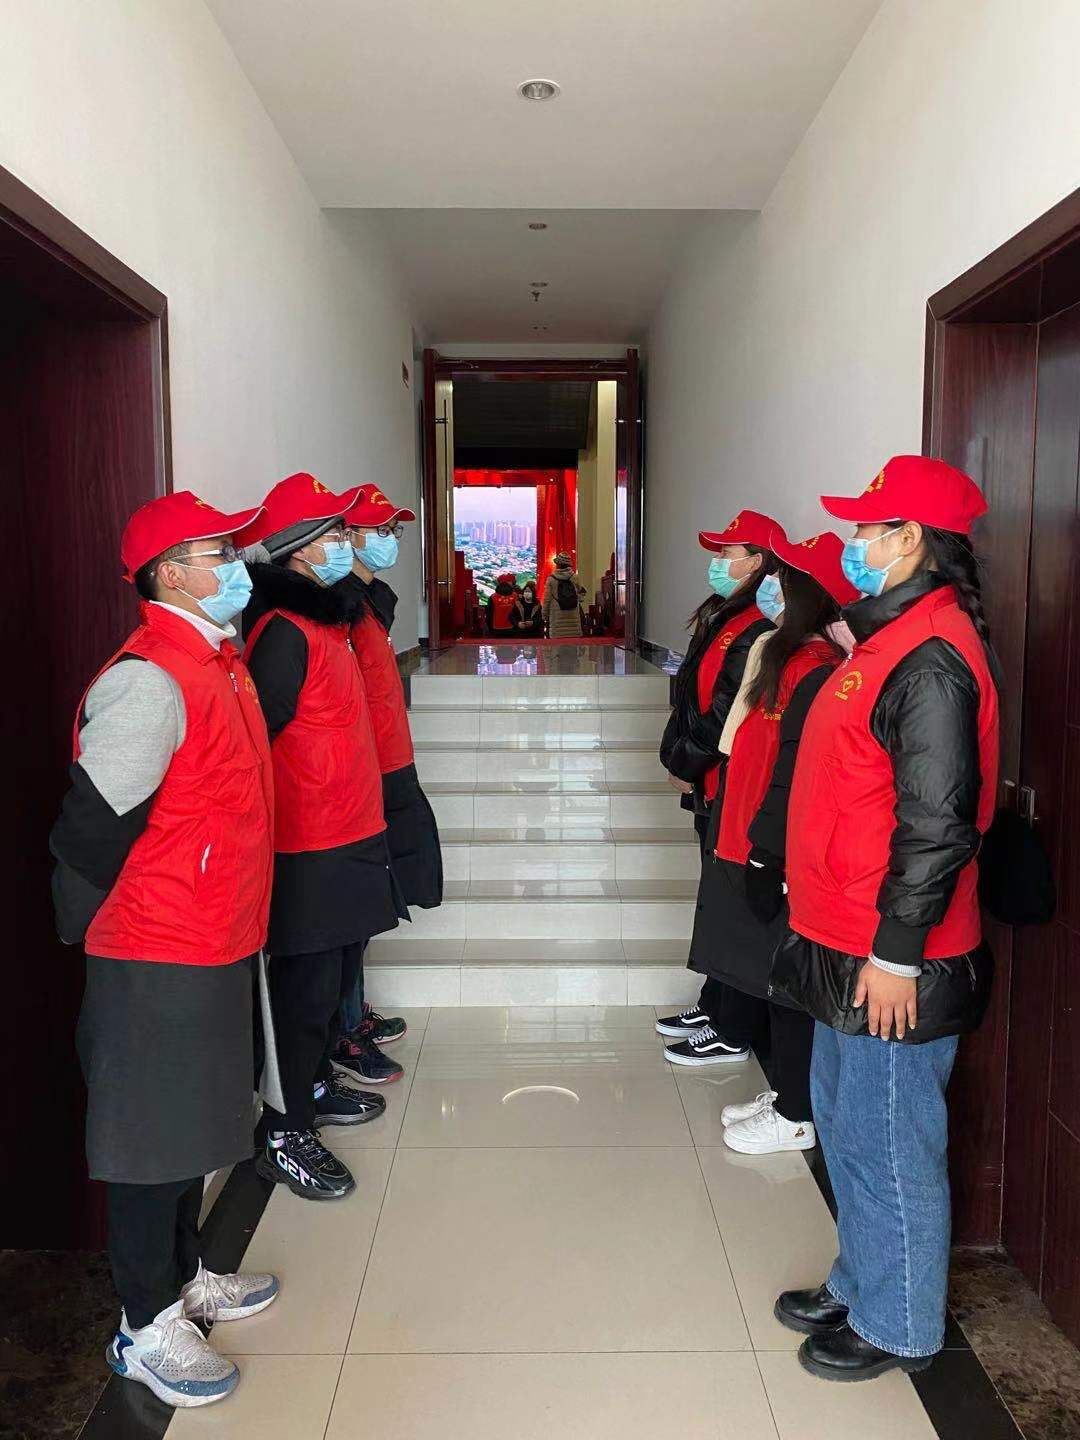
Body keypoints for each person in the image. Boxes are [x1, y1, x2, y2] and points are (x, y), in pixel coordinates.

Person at [770, 456, 999, 1382]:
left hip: (893, 953)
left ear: (910, 540)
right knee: (845, 1120)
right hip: (844, 934)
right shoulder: (888, 639)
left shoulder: (933, 656)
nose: (854, 544)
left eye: (868, 529)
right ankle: (862, 1279)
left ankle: (900, 1321)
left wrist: (898, 954)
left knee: (890, 1141)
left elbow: (937, 823)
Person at [49, 492, 280, 1408]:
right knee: (149, 1143)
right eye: (219, 552)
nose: (237, 565)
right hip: (157, 949)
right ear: (169, 574)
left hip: (215, 934)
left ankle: (186, 1276)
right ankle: (143, 1327)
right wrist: (104, 938)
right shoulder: (150, 679)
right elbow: (88, 830)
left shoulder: (220, 661)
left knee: (191, 1129)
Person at [239, 473, 406, 1202]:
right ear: (302, 551)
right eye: (335, 534)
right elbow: (258, 742)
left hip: (351, 832)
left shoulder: (330, 623)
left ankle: (312, 1087)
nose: (347, 543)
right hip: (308, 845)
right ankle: (284, 1133)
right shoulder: (284, 632)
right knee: (303, 995)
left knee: (334, 983)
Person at [669, 533, 855, 1144]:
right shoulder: (785, 655)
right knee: (768, 970)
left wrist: (766, 851)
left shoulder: (818, 669)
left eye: (784, 578)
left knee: (785, 981)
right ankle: (789, 1098)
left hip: (777, 847)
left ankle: (797, 1114)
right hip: (750, 832)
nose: (771, 587)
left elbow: (794, 775)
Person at [656, 511, 780, 1043]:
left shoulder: (758, 626)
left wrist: (686, 762)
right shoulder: (724, 614)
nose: (717, 563)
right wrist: (678, 757)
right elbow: (692, 693)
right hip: (711, 783)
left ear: (756, 562)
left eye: (726, 554)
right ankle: (714, 1002)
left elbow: (728, 711)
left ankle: (732, 1023)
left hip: (729, 784)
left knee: (733, 906)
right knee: (718, 899)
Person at [335, 482, 442, 1046]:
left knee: (370, 897)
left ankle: (353, 1013)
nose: (390, 540)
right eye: (379, 530)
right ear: (345, 536)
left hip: (389, 762)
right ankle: (345, 1026)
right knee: (351, 906)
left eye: (392, 530)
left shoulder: (368, 604)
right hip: (362, 771)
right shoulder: (337, 608)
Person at [542, 552, 586, 637]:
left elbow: (547, 600)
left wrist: (545, 616)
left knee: (558, 644)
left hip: (557, 620)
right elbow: (582, 594)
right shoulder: (575, 577)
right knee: (573, 643)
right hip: (573, 618)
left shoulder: (551, 579)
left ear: (557, 564)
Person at [486, 573, 519, 637]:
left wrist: (490, 629)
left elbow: (489, 615)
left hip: (496, 629)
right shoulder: (515, 596)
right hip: (513, 628)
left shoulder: (493, 597)